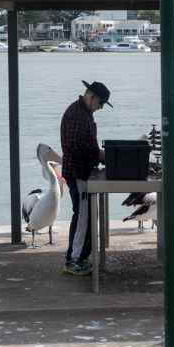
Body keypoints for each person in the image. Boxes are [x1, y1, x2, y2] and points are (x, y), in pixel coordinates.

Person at [60, 80, 111, 276]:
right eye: (101, 103)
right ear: (92, 97)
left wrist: (98, 154)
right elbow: (75, 147)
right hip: (78, 173)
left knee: (85, 216)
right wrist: (99, 155)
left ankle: (79, 257)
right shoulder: (76, 115)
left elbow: (82, 144)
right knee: (83, 217)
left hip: (81, 173)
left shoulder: (82, 112)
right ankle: (73, 260)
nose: (101, 108)